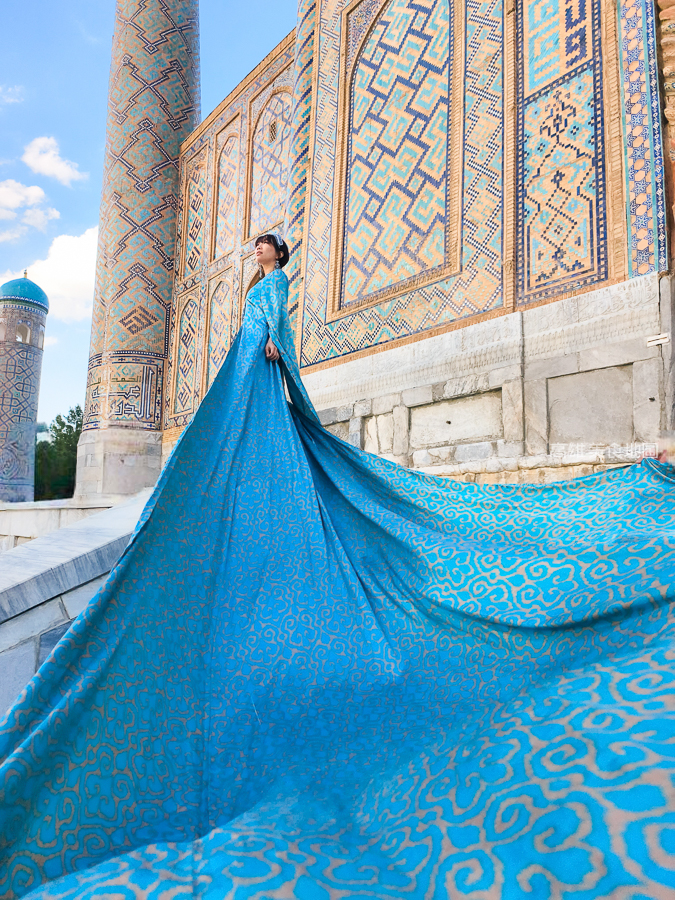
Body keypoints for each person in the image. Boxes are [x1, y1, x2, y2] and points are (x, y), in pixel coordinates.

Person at [2, 234, 675, 899]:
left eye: (266, 247)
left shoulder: (274, 286)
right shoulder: (253, 286)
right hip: (246, 368)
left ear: (278, 257)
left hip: (258, 366)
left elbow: (277, 329)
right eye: (259, 248)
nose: (259, 252)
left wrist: (279, 361)